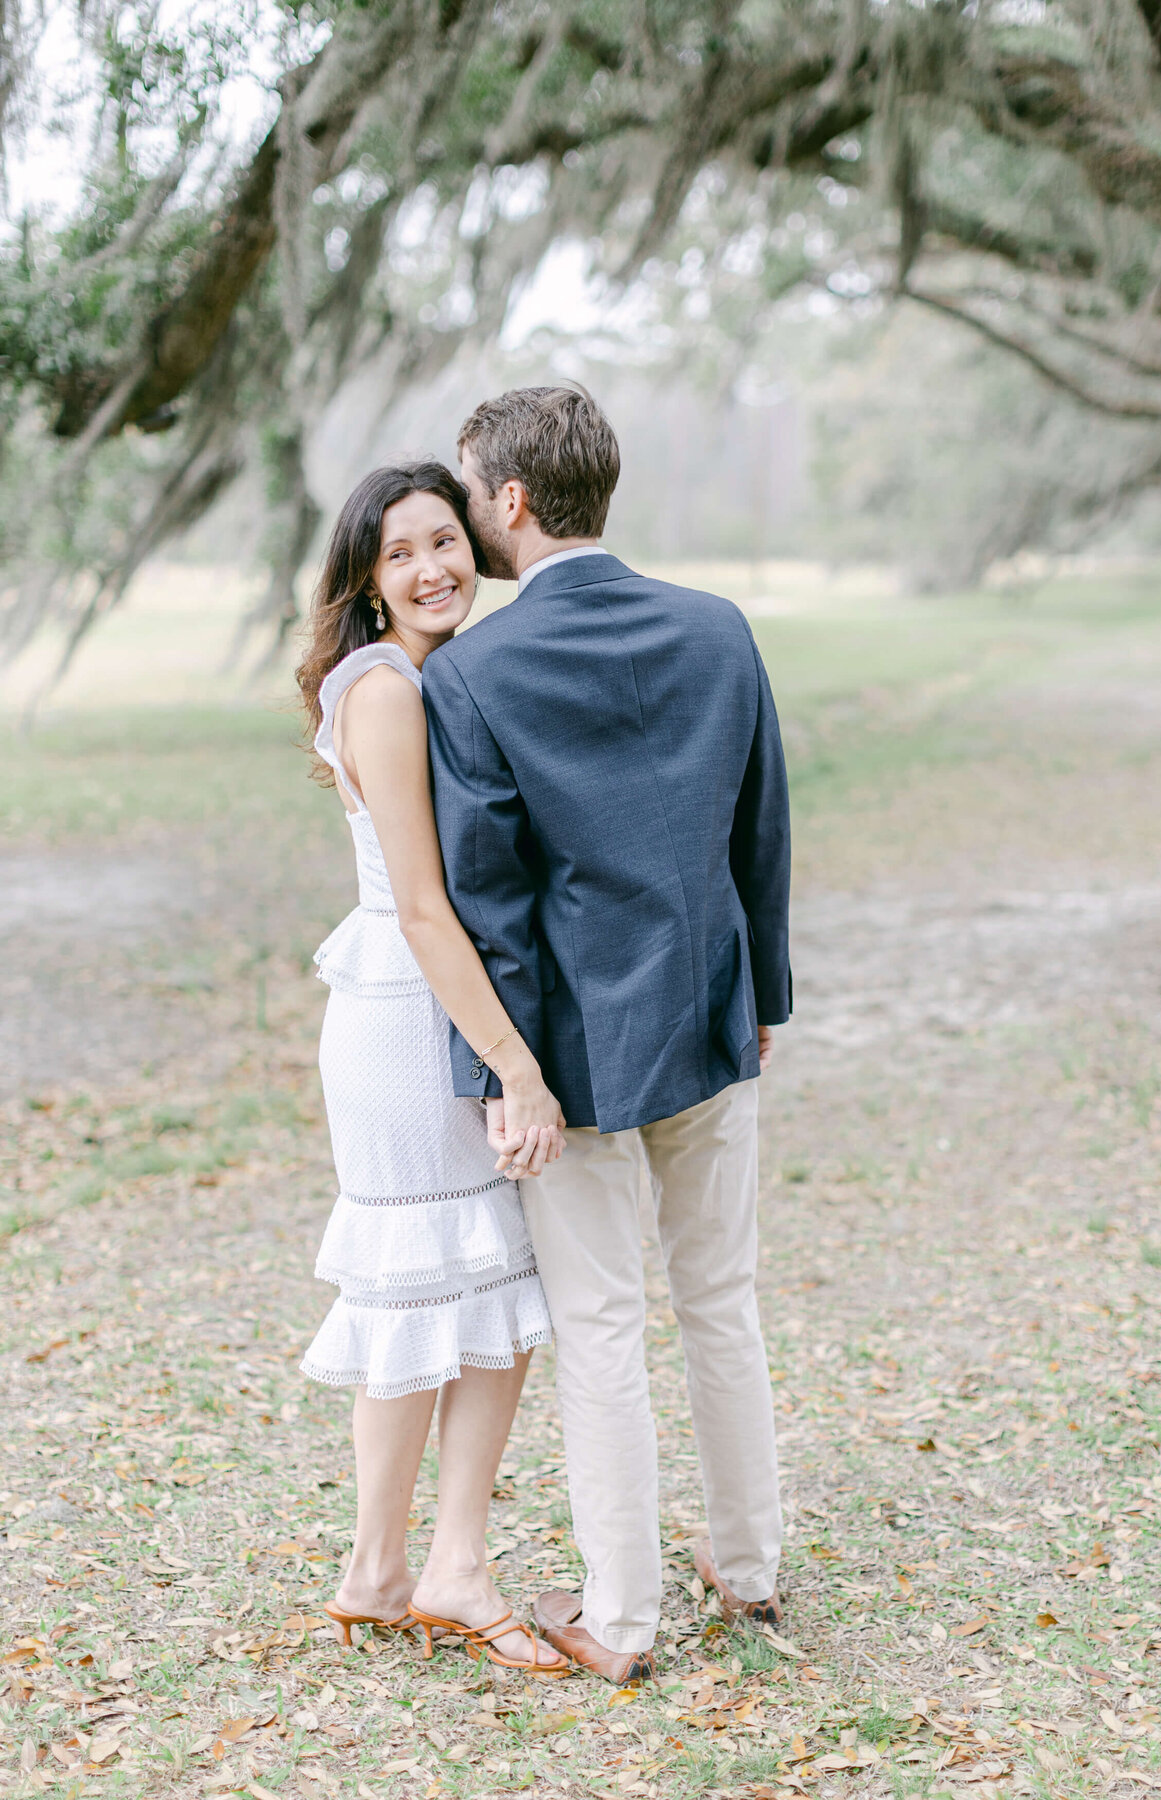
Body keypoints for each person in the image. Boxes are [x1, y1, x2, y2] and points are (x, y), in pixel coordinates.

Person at [422, 386, 793, 1684]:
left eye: (473, 494)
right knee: (722, 1304)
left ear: (511, 502)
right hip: (711, 1023)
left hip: (570, 1054)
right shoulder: (718, 629)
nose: (469, 518)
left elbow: (492, 899)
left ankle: (623, 1621)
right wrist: (766, 1000)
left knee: (600, 1327)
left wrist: (497, 1073)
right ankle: (749, 1570)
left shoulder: (471, 672)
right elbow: (762, 837)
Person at [294, 462, 568, 1676]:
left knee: (444, 1300)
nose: (432, 570)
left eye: (446, 541)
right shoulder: (389, 690)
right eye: (400, 553)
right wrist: (518, 1070)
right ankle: (442, 1566)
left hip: (409, 1009)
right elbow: (419, 904)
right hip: (414, 1022)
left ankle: (386, 1569)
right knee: (471, 1298)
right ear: (365, 576)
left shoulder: (405, 676)